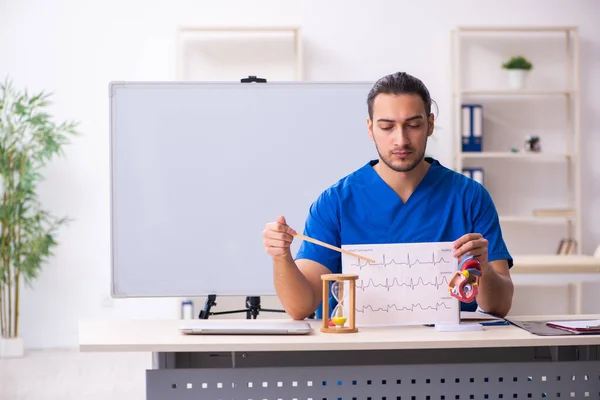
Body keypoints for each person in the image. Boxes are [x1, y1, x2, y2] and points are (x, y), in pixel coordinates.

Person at [262, 71, 514, 320]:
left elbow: (499, 307)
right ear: (371, 129)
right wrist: (281, 257)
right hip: (356, 351)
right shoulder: (335, 203)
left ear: (430, 125)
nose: (401, 140)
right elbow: (300, 308)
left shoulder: (470, 197)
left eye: (413, 125)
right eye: (387, 127)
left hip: (446, 350)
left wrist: (485, 270)